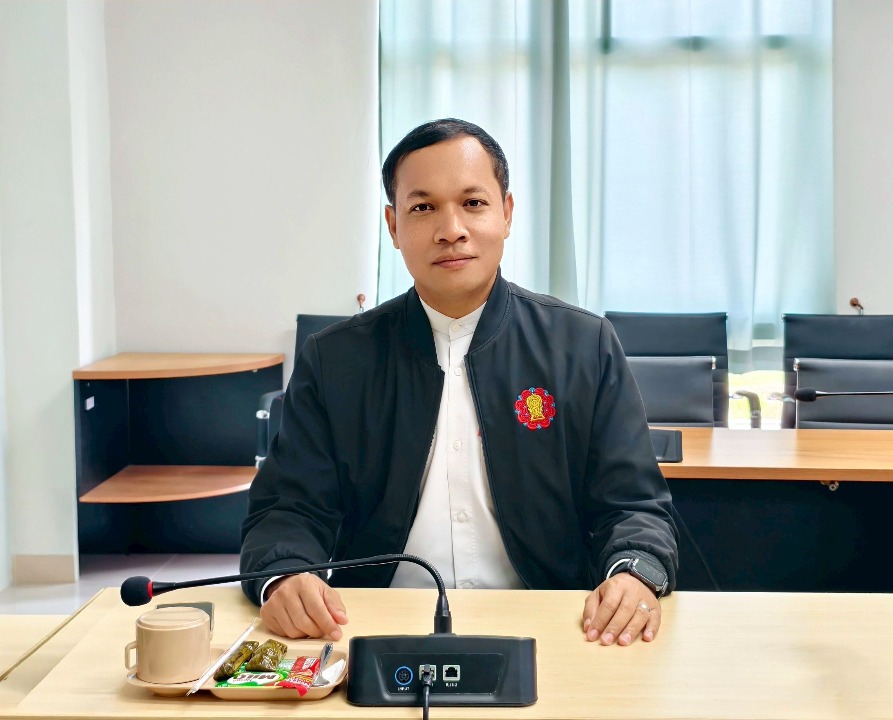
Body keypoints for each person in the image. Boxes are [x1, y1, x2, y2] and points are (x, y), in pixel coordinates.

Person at [241, 118, 678, 647]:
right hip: (375, 630)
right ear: (393, 226)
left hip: (552, 627)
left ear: (507, 213)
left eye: (473, 203)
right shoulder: (335, 360)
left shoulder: (583, 345)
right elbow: (288, 509)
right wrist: (284, 575)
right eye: (423, 208)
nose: (451, 229)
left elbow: (633, 506)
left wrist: (633, 573)